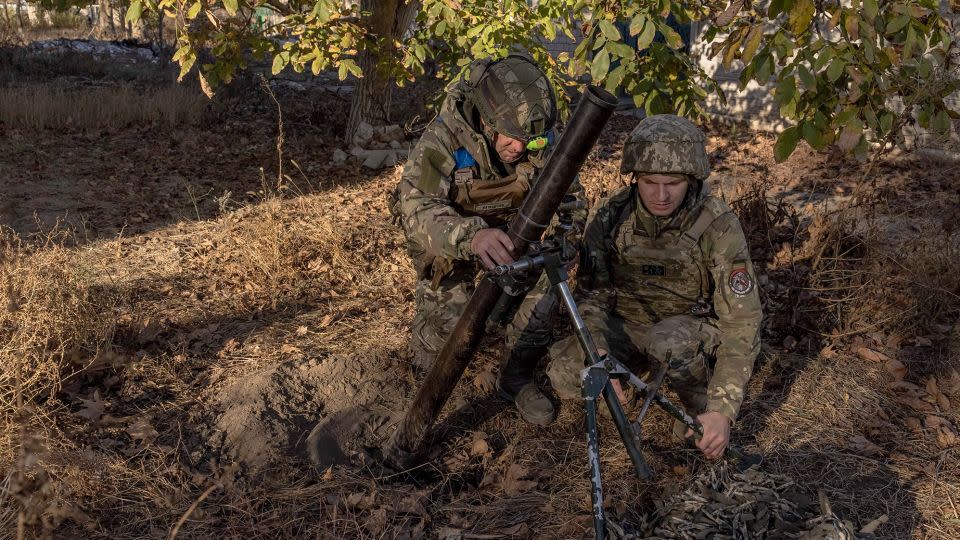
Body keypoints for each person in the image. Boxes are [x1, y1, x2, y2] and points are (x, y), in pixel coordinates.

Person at [545, 115, 762, 458]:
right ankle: (630, 377)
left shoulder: (716, 224)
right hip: (627, 325)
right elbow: (592, 297)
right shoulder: (611, 216)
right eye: (649, 182)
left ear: (691, 179)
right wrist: (599, 353)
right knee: (565, 371)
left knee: (668, 342)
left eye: (673, 183)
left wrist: (723, 409)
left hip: (687, 328)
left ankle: (697, 400)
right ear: (634, 179)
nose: (661, 195)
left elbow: (742, 322)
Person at [391, 55, 586, 426]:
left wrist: (564, 242)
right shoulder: (443, 139)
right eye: (513, 138)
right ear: (486, 118)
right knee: (444, 340)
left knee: (546, 291)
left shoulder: (536, 135)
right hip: (454, 244)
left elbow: (572, 197)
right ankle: (428, 346)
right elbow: (416, 209)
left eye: (533, 141)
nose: (522, 148)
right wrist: (473, 236)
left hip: (514, 239)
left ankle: (515, 377)